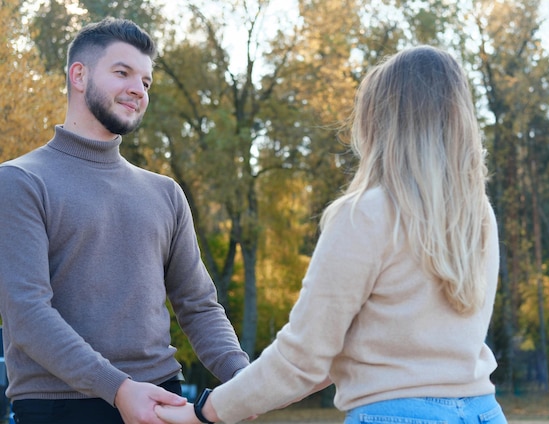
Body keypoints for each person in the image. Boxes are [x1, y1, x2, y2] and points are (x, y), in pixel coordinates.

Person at [155, 45, 507, 424]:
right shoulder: (478, 216)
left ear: (380, 120)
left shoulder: (367, 214)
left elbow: (303, 356)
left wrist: (204, 413)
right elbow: (323, 357)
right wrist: (248, 392)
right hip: (483, 412)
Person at [0, 17, 249, 424]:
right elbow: (27, 314)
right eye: (123, 73)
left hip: (161, 400)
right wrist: (117, 388)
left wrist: (243, 379)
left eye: (147, 82)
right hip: (59, 406)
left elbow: (199, 306)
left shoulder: (164, 193)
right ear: (79, 75)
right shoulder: (20, 181)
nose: (138, 88)